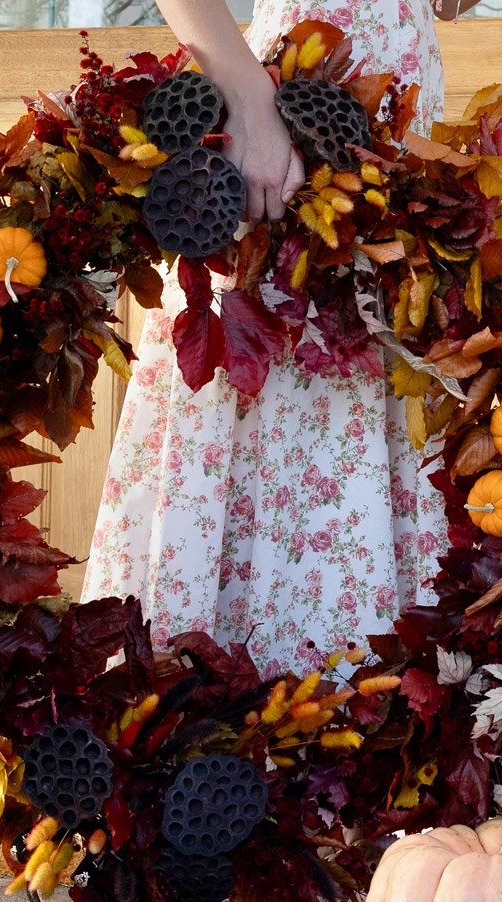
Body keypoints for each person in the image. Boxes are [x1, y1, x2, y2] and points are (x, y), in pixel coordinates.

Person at [81, 0, 471, 677]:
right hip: (289, 126)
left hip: (393, 161)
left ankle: (355, 752)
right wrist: (251, 104)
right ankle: (234, 741)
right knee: (276, 401)